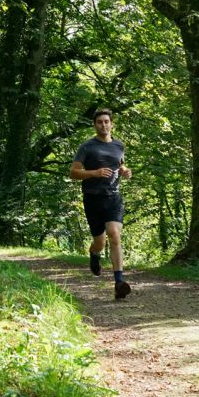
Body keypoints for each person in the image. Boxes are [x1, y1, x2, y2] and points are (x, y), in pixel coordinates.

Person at [70, 108, 132, 300]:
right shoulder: (87, 147)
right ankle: (94, 252)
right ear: (94, 125)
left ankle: (119, 283)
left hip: (113, 197)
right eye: (100, 122)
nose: (104, 125)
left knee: (114, 235)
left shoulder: (119, 146)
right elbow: (73, 173)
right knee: (100, 242)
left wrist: (125, 171)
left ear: (111, 124)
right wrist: (94, 173)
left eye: (106, 121)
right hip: (92, 198)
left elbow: (120, 164)